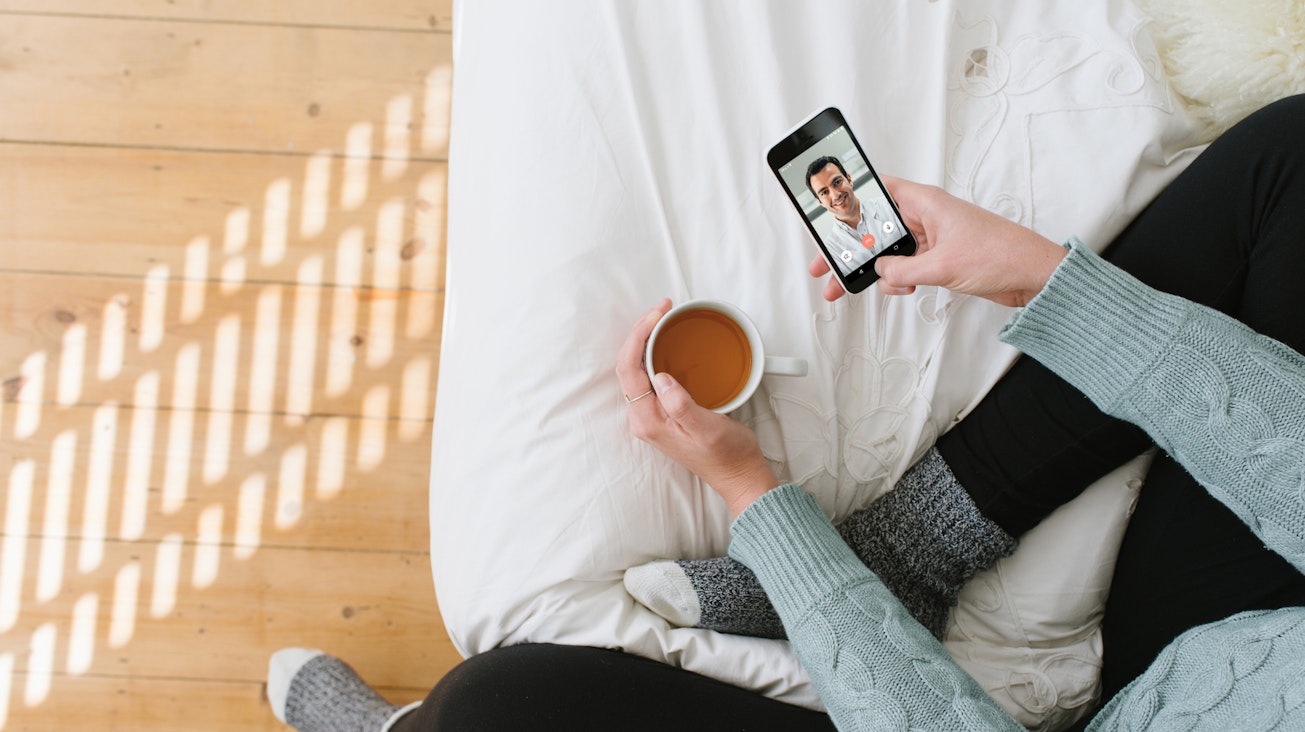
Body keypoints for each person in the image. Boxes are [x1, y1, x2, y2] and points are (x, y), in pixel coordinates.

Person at [265, 95, 1305, 731]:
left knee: (495, 711)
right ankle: (916, 544)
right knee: (1295, 163)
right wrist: (1036, 277)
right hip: (1263, 633)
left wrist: (758, 500)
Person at [805, 155, 904, 273]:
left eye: (837, 182)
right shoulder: (830, 248)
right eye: (824, 192)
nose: (835, 195)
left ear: (849, 179)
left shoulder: (888, 205)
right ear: (820, 202)